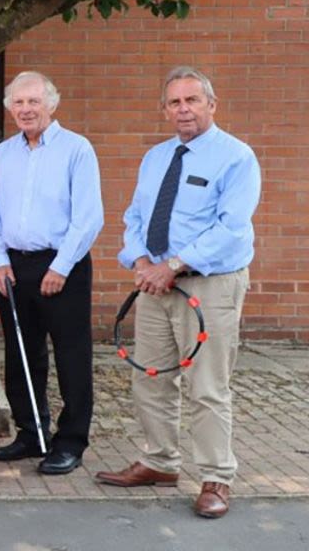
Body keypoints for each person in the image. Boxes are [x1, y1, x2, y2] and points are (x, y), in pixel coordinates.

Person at [96, 66, 261, 519]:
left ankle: (215, 477)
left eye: (192, 100)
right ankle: (160, 462)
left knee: (207, 385)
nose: (183, 109)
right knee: (150, 376)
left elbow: (231, 228)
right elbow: (134, 217)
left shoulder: (236, 157)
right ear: (165, 109)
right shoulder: (156, 157)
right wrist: (143, 263)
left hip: (208, 285)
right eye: (175, 102)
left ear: (212, 104)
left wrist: (173, 265)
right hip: (155, 285)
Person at [0, 71, 103, 475]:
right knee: (21, 353)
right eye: (18, 103)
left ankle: (70, 442)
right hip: (14, 268)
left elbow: (88, 218)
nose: (26, 109)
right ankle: (31, 433)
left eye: (34, 101)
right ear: (9, 109)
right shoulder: (2, 155)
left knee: (70, 355)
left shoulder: (77, 150)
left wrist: (60, 266)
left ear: (52, 104)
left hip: (63, 265)